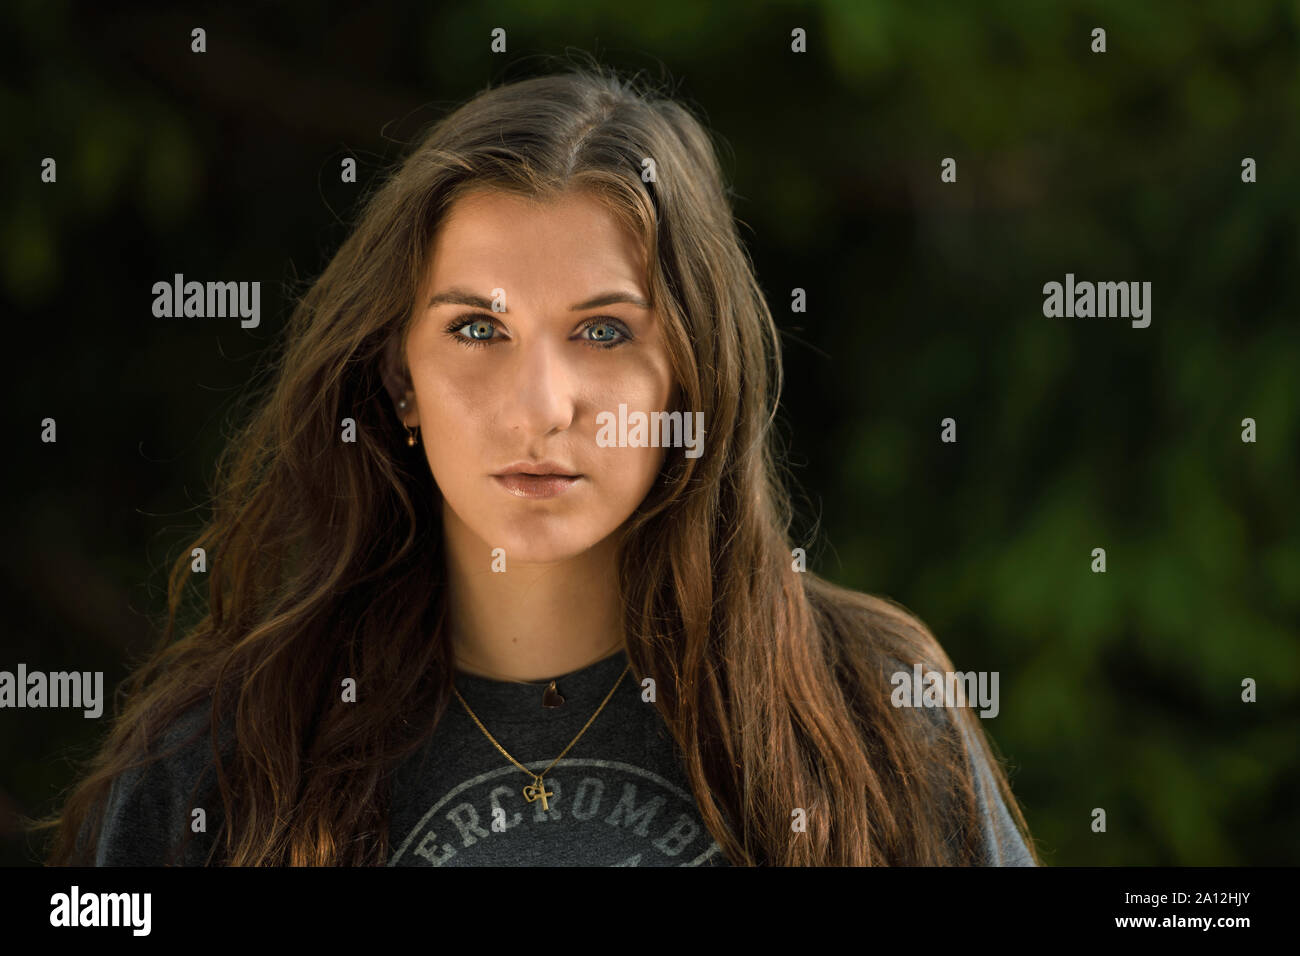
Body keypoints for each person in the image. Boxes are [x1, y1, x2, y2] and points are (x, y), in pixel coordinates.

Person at [37, 60, 1038, 866]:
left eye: (602, 333)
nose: (539, 407)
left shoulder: (867, 709)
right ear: (398, 382)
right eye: (478, 328)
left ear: (689, 377)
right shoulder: (227, 756)